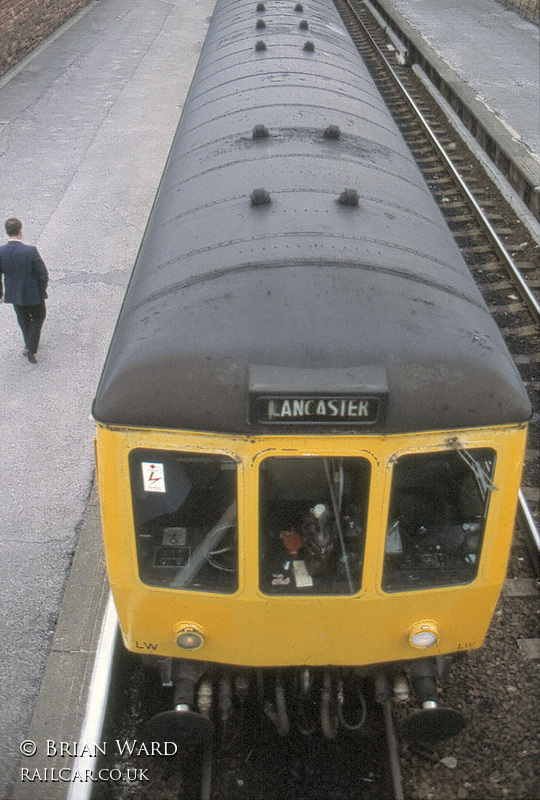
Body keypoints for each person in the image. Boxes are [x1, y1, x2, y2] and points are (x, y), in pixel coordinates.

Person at [0, 218, 49, 364]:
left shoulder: (1, 252)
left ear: (7, 232)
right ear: (20, 231)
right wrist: (41, 290)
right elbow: (43, 274)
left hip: (14, 294)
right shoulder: (30, 251)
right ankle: (30, 347)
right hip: (33, 293)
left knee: (23, 319)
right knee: (39, 316)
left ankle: (29, 342)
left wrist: (0, 293)